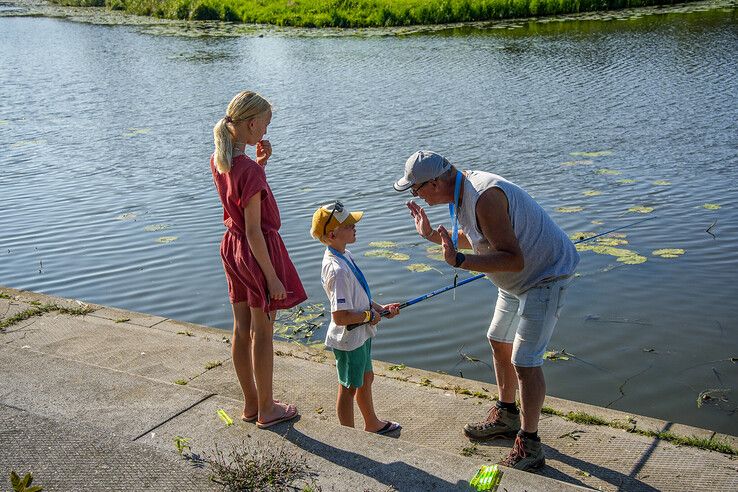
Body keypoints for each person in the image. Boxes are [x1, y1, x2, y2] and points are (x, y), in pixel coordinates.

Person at [394, 150, 579, 471]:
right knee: (497, 339)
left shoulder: (484, 197)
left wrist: (460, 261)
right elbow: (483, 239)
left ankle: (530, 443)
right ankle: (507, 414)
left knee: (525, 360)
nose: (416, 196)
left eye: (416, 189)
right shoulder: (460, 190)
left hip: (544, 275)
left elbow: (513, 258)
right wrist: (430, 236)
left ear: (435, 183)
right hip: (514, 282)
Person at [211, 91, 306, 429]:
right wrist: (273, 278)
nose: (265, 133)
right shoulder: (249, 169)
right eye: (264, 125)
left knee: (241, 328)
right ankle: (267, 408)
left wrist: (260, 166)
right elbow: (254, 231)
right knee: (263, 333)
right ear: (251, 124)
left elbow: (237, 202)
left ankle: (251, 403)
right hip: (255, 253)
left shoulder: (220, 159)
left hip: (231, 249)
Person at [310, 201, 403, 435]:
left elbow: (358, 296)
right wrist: (368, 316)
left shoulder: (344, 255)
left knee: (366, 377)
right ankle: (348, 437)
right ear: (333, 233)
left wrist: (380, 309)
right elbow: (340, 316)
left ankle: (371, 423)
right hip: (349, 337)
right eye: (349, 224)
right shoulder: (337, 270)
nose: (355, 226)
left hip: (360, 333)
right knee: (349, 387)